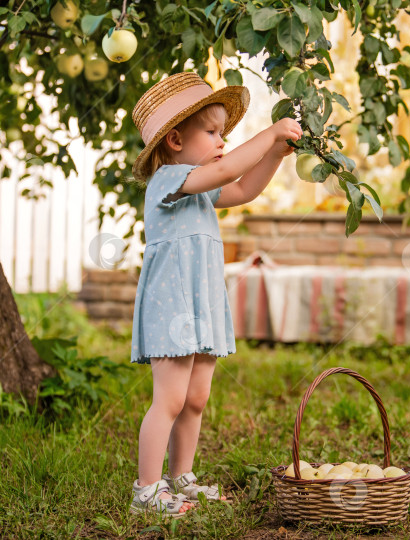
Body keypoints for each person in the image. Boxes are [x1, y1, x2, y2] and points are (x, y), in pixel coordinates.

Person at [127, 71, 302, 518]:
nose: (222, 142)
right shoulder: (168, 181)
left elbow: (242, 187)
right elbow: (227, 170)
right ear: (174, 141)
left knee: (196, 397)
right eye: (212, 132)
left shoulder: (200, 190)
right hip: (172, 304)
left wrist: (277, 154)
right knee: (168, 398)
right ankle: (146, 490)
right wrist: (270, 132)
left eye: (223, 133)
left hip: (201, 304)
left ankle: (181, 478)